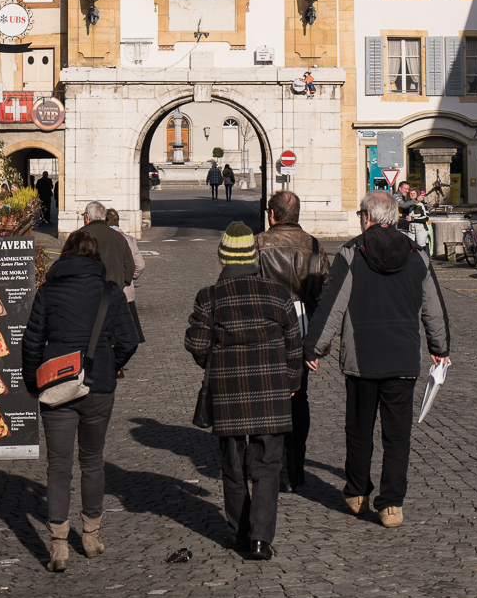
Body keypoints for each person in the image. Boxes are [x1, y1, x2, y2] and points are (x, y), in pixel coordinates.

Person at [304, 189, 450, 529]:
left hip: (362, 357)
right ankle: (391, 505)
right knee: (397, 436)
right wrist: (440, 347)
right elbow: (433, 307)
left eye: (361, 215)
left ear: (367, 217)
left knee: (359, 431)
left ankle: (357, 495)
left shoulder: (352, 252)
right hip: (402, 358)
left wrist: (314, 346)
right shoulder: (418, 254)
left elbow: (333, 303)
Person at [22, 227, 139, 570]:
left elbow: (31, 341)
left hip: (57, 385)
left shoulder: (48, 291)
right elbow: (129, 341)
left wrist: (32, 382)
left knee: (58, 465)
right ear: (96, 257)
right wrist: (109, 366)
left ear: (66, 256)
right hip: (98, 386)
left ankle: (59, 545)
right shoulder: (110, 292)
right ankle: (90, 536)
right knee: (92, 461)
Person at [186, 221, 301, 561]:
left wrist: (216, 363)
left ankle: (238, 532)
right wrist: (291, 383)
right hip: (271, 391)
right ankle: (261, 538)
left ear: (223, 257)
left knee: (233, 466)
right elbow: (295, 344)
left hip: (228, 391)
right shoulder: (278, 294)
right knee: (268, 465)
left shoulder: (209, 296)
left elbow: (197, 344)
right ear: (254, 256)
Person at [256, 190, 331, 490]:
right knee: (299, 398)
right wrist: (321, 337)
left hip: (266, 330)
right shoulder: (313, 246)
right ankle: (295, 469)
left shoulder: (258, 244)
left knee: (267, 400)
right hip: (301, 330)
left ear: (272, 215)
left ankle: (272, 469)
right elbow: (326, 294)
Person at [104, 208, 146, 342]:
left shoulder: (102, 240)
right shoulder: (130, 239)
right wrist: (131, 277)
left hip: (106, 290)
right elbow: (140, 265)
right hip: (126, 289)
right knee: (128, 333)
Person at [81, 201, 135, 290]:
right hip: (113, 290)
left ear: (87, 217)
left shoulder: (80, 235)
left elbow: (68, 265)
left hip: (87, 290)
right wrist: (120, 284)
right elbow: (129, 266)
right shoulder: (118, 237)